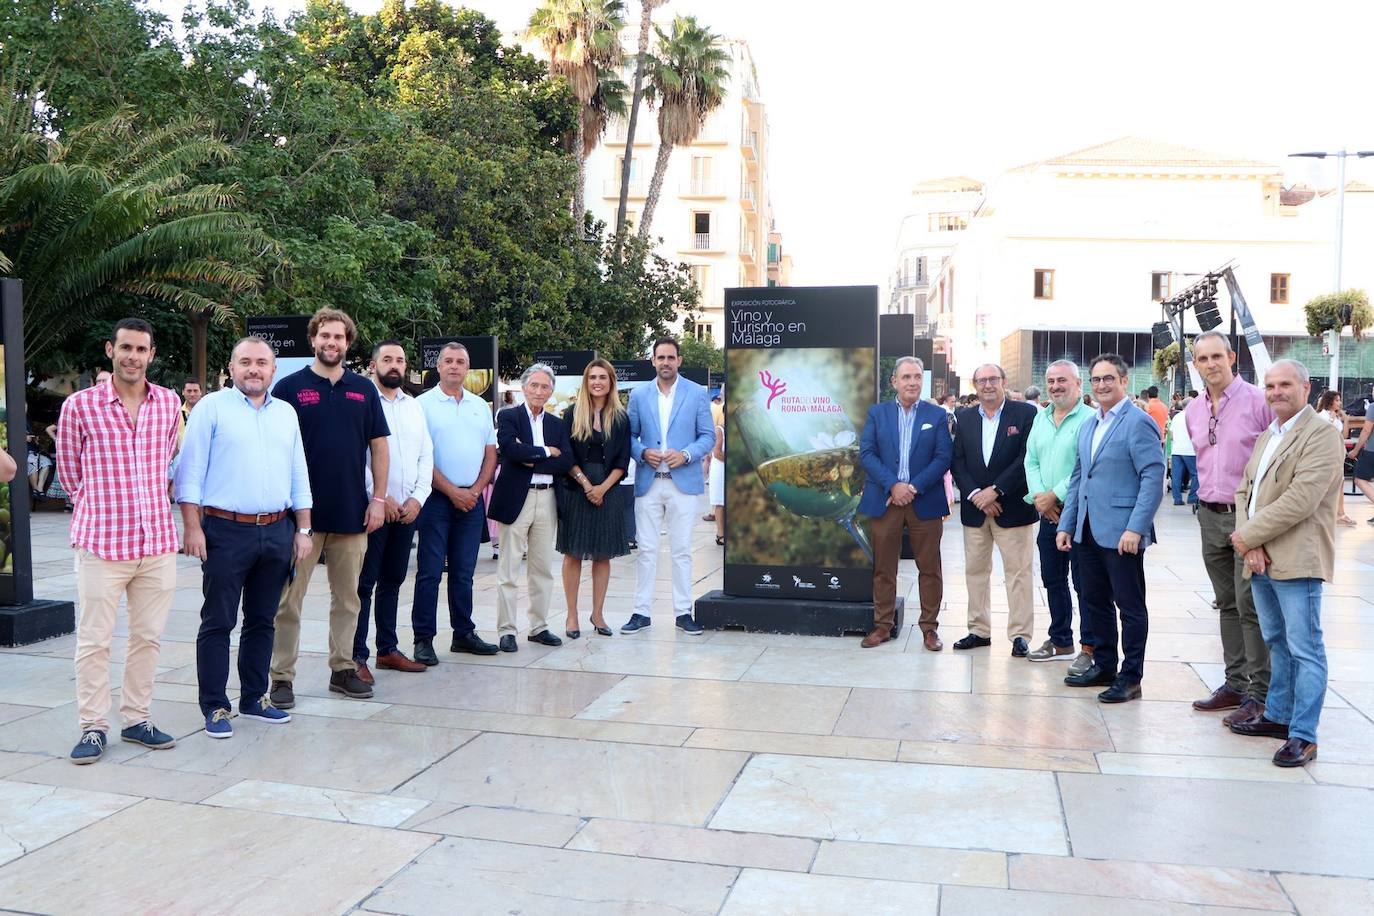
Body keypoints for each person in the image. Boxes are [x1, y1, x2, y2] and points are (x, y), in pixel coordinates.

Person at [56, 318, 182, 764]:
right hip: (102, 544)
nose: (133, 356)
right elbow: (69, 475)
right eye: (125, 347)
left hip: (156, 543)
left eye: (141, 349)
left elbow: (166, 458)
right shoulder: (79, 406)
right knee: (94, 640)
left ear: (151, 355)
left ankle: (136, 719)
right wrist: (98, 507)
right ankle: (93, 726)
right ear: (110, 350)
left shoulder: (168, 404)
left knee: (147, 638)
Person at [176, 337, 312, 738]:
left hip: (277, 529)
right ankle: (216, 706)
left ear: (274, 370)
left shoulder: (286, 413)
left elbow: (298, 473)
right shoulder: (211, 409)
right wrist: (192, 526)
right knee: (218, 620)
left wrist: (303, 529)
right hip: (224, 530)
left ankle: (255, 698)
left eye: (262, 363)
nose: (254, 369)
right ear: (232, 368)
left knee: (262, 620)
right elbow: (190, 472)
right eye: (246, 362)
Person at [269, 308, 390, 709]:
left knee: (349, 598)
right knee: (289, 600)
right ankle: (281, 677)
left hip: (352, 512)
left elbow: (379, 446)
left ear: (347, 343)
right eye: (325, 336)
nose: (331, 343)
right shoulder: (288, 388)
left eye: (338, 337)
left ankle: (342, 669)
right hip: (300, 517)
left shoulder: (364, 389)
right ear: (313, 340)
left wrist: (379, 500)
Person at [1228, 360, 1342, 767]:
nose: (1276, 392)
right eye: (1270, 385)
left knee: (1305, 648)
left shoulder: (1322, 436)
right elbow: (1245, 491)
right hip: (1259, 558)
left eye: (1285, 385)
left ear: (1306, 387)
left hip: (1298, 559)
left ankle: (1303, 734)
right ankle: (1277, 716)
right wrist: (1249, 545)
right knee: (1276, 641)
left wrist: (1248, 536)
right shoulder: (1268, 435)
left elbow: (1301, 500)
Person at [1057, 353, 1164, 703]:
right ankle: (1104, 665)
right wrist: (1067, 523)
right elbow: (1079, 478)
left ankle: (1131, 677)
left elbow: (1152, 477)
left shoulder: (1138, 422)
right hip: (1087, 531)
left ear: (1123, 381)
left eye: (1108, 379)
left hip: (1122, 534)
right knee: (1094, 600)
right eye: (1096, 379)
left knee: (1129, 607)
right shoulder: (1090, 423)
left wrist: (1136, 527)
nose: (1101, 385)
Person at [1184, 331, 1273, 726]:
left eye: (1216, 356)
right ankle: (1234, 683)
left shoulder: (1259, 401)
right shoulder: (1193, 410)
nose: (1210, 365)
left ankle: (1261, 693)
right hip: (1209, 514)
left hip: (1248, 517)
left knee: (1251, 606)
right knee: (1227, 604)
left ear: (1231, 357)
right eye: (1202, 359)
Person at [621, 337, 715, 635]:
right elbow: (629, 436)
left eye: (670, 357)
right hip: (649, 482)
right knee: (646, 549)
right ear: (653, 360)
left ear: (679, 360)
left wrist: (686, 454)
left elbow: (708, 436)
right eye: (660, 357)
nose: (665, 362)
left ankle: (683, 612)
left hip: (682, 483)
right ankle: (641, 612)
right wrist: (641, 453)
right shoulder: (639, 395)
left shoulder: (696, 394)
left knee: (682, 550)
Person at [351, 341, 433, 683]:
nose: (395, 365)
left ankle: (387, 649)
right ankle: (355, 656)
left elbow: (425, 455)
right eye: (387, 359)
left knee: (393, 581)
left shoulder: (413, 406)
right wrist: (381, 498)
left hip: (407, 512)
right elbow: (358, 456)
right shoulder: (361, 401)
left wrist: (418, 498)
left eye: (400, 360)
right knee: (363, 584)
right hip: (373, 511)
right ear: (373, 365)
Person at [858, 356, 952, 649]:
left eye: (917, 377)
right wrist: (894, 485)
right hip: (886, 500)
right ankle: (883, 625)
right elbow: (867, 454)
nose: (912, 382)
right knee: (884, 567)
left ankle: (929, 629)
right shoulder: (878, 413)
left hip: (924, 500)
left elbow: (943, 457)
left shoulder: (935, 415)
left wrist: (912, 487)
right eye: (906, 377)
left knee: (930, 567)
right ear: (894, 382)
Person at [414, 342, 500, 659]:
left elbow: (490, 453)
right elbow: (421, 456)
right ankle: (423, 639)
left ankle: (463, 633)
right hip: (436, 500)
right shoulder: (421, 405)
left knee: (464, 572)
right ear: (438, 367)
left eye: (460, 362)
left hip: (472, 500)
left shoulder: (480, 406)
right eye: (448, 361)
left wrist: (476, 490)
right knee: (430, 572)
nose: (454, 366)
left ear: (468, 369)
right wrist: (452, 491)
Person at [950, 363, 1039, 655]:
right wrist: (976, 494)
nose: (987, 385)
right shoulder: (963, 418)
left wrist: (996, 490)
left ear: (1003, 381)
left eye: (993, 379)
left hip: (1012, 508)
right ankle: (978, 630)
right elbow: (958, 461)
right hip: (976, 511)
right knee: (975, 571)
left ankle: (1020, 635)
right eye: (982, 380)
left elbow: (1027, 458)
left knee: (1018, 573)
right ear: (975, 385)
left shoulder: (1025, 414)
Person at [488, 364, 574, 651]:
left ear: (551, 391)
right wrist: (547, 451)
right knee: (509, 568)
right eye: (534, 385)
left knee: (541, 569)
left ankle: (539, 626)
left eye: (545, 387)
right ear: (524, 388)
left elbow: (566, 462)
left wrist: (531, 456)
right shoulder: (508, 415)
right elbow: (510, 450)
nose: (539, 391)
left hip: (547, 497)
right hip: (517, 497)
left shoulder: (556, 424)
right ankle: (507, 630)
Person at [1023, 360, 1095, 669]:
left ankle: (1090, 647)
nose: (1055, 386)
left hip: (1079, 514)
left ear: (1079, 384)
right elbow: (1031, 460)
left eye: (1062, 381)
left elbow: (1085, 463)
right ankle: (1061, 639)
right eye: (1051, 381)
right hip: (1047, 514)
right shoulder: (1041, 418)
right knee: (1053, 579)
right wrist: (1042, 499)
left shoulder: (1091, 418)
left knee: (1085, 584)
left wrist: (1056, 495)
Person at [556, 358, 630, 639]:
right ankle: (572, 615)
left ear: (611, 382)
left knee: (603, 555)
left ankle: (598, 614)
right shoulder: (572, 413)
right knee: (573, 553)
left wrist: (601, 489)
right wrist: (588, 486)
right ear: (585, 382)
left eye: (602, 377)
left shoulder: (621, 418)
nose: (597, 382)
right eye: (592, 377)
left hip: (608, 491)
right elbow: (567, 455)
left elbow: (623, 461)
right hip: (577, 488)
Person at [1315, 390, 1355, 526]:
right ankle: (1325, 514)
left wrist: (1346, 421)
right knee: (1326, 484)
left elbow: (1343, 436)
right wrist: (1332, 419)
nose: (1340, 402)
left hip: (1337, 453)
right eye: (1337, 400)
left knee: (1340, 484)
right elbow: (1325, 433)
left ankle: (1340, 513)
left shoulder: (1336, 417)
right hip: (1326, 454)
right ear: (1330, 401)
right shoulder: (1321, 416)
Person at [1348, 384, 1374, 524]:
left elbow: (1366, 431)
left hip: (1372, 451)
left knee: (1360, 479)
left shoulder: (1373, 407)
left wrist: (1356, 450)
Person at [1168, 402, 1198, 507]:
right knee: (1196, 474)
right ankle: (1193, 497)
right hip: (1190, 450)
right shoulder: (1195, 416)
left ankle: (1177, 499)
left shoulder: (1176, 417)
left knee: (1176, 475)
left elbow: (1171, 435)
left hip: (1176, 450)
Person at [708, 385, 725, 545]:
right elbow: (717, 452)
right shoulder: (720, 429)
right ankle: (720, 534)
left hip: (726, 469)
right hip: (720, 469)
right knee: (720, 501)